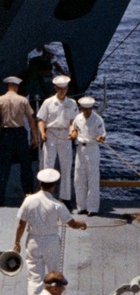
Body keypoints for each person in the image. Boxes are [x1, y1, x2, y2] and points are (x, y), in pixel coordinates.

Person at [12, 167, 85, 295]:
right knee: (53, 276)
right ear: (54, 186)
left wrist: (17, 243)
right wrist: (82, 224)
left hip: (34, 241)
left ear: (40, 183)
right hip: (51, 243)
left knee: (34, 278)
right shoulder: (57, 205)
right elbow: (72, 224)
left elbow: (21, 225)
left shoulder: (29, 200)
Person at [36, 74, 77, 202]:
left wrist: (72, 132)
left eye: (64, 88)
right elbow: (41, 120)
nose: (62, 91)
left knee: (66, 166)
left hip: (65, 135)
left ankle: (65, 198)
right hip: (51, 135)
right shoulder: (48, 103)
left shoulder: (72, 103)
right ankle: (45, 197)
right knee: (47, 165)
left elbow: (73, 122)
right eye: (60, 88)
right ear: (55, 88)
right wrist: (42, 133)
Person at [0, 76, 38, 205]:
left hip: (5, 133)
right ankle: (29, 196)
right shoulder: (22, 100)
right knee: (26, 166)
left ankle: (0, 199)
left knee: (3, 168)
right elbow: (31, 119)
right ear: (16, 86)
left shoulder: (0, 100)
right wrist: (34, 137)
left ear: (8, 86)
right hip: (20, 133)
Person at [69, 95, 105, 214]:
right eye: (85, 109)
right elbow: (74, 128)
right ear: (81, 108)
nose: (87, 111)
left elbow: (102, 134)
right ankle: (81, 207)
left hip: (92, 149)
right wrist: (73, 133)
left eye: (89, 108)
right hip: (80, 149)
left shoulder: (97, 119)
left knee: (93, 179)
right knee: (79, 178)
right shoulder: (78, 118)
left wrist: (101, 138)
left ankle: (92, 208)